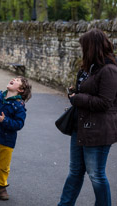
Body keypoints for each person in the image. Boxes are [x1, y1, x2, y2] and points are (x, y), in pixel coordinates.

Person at [58, 28, 117, 206]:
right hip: (80, 127)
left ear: (92, 47)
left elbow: (105, 102)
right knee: (75, 172)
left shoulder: (109, 70)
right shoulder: (88, 68)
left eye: (84, 46)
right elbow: (86, 92)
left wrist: (78, 99)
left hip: (98, 131)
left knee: (96, 175)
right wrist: (74, 93)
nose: (82, 50)